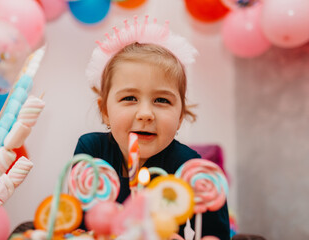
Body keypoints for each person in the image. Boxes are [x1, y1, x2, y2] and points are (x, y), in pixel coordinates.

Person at [74, 16, 230, 239]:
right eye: (129, 97)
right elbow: (77, 225)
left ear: (180, 116)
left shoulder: (192, 170)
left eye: (162, 100)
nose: (146, 114)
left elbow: (215, 235)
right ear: (105, 111)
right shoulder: (92, 153)